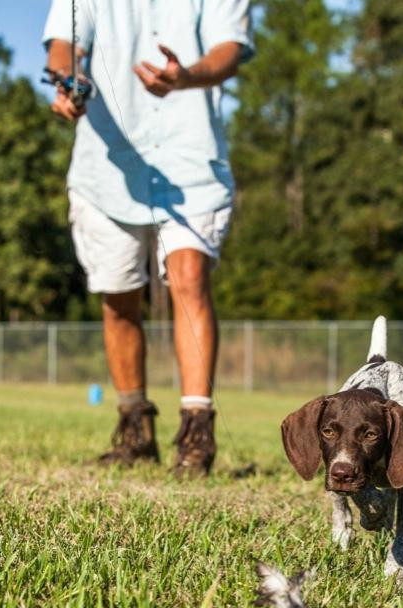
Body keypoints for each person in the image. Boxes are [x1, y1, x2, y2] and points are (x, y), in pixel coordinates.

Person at [42, 0, 253, 475]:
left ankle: (197, 431)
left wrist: (187, 76)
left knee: (189, 276)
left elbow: (229, 52)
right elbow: (63, 46)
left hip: (191, 164)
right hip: (107, 170)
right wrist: (66, 82)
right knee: (118, 298)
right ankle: (135, 428)